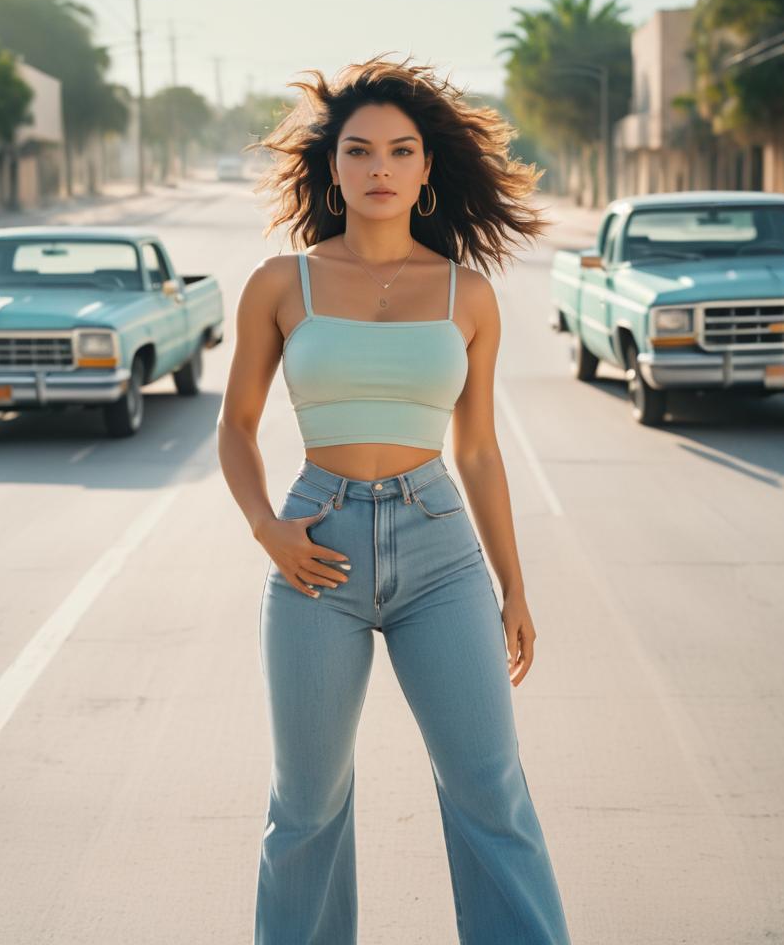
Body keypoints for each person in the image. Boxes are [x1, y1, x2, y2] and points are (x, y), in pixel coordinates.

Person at [216, 54, 572, 945]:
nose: (380, 168)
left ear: (425, 168)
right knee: (306, 800)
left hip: (440, 551)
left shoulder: (468, 294)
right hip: (315, 549)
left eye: (400, 151)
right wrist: (267, 530)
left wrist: (514, 587)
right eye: (360, 150)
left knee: (490, 787)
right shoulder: (280, 283)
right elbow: (237, 426)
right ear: (331, 167)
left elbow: (480, 450)